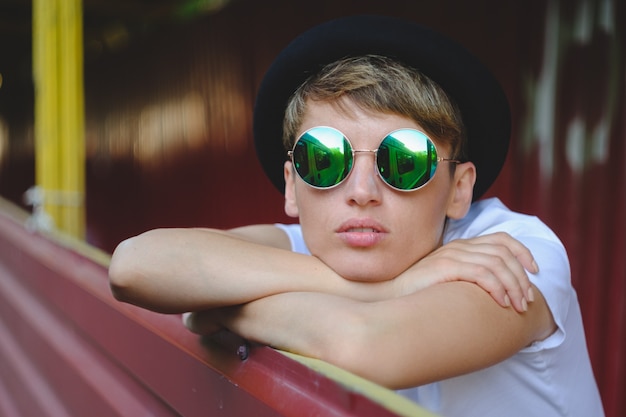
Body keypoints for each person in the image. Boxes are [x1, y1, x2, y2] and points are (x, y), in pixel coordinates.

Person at [108, 15, 604, 417]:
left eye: (405, 161)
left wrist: (218, 306)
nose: (361, 193)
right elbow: (133, 265)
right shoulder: (327, 243)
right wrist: (394, 287)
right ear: (292, 186)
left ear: (459, 189)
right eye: (325, 160)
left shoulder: (515, 254)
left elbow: (364, 346)